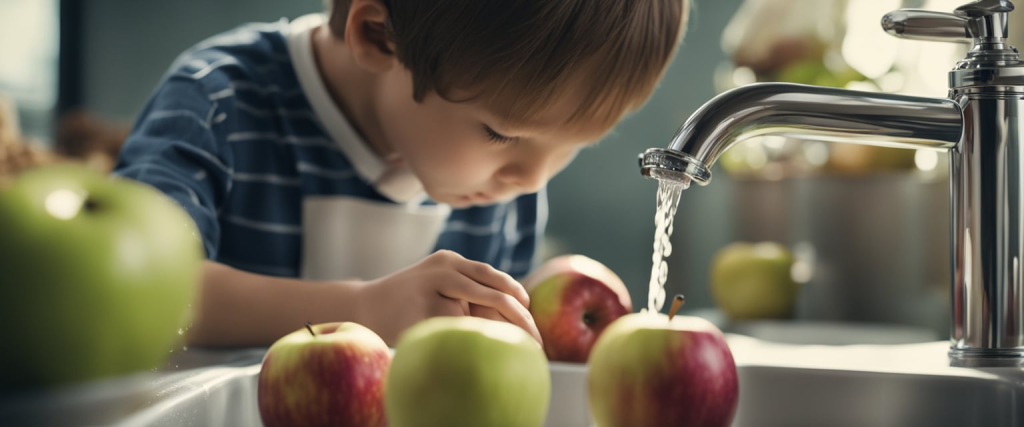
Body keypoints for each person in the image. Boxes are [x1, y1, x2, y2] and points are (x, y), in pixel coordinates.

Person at [113, 0, 689, 347]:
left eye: (573, 147)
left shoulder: (503, 184)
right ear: (377, 36)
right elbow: (137, 289)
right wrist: (359, 311)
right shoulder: (218, 103)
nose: (532, 179)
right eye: (502, 134)